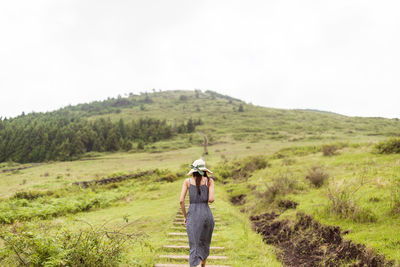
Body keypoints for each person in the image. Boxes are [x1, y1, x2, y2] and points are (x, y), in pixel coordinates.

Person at [179, 158, 215, 267]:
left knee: (194, 244)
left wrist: (186, 217)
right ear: (204, 170)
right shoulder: (210, 181)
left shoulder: (187, 182)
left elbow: (181, 201)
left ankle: (193, 265)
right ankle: (203, 265)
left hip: (192, 215)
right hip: (206, 214)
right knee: (205, 242)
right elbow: (211, 199)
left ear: (193, 170)